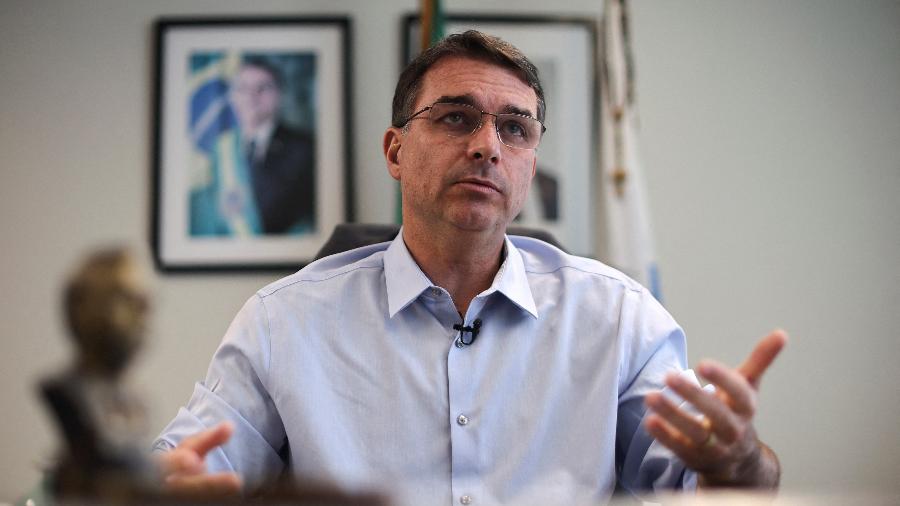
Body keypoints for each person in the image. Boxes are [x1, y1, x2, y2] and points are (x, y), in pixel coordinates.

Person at [155, 31, 785, 505]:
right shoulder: (283, 322)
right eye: (456, 117)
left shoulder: (618, 317)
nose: (487, 145)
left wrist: (738, 460)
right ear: (395, 151)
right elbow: (187, 466)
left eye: (515, 129)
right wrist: (167, 484)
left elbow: (714, 486)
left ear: (531, 165)